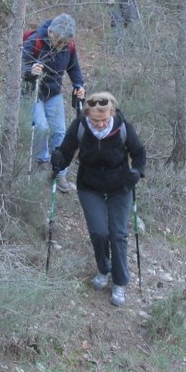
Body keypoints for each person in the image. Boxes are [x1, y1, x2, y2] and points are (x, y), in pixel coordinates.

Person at [51, 91, 146, 307]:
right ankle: (104, 269)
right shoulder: (81, 126)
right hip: (90, 186)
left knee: (118, 234)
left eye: (104, 119)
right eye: (95, 120)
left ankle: (120, 282)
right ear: (87, 116)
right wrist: (58, 161)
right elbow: (66, 151)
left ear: (111, 112)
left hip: (120, 186)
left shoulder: (122, 127)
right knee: (98, 232)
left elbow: (139, 153)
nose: (101, 124)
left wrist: (137, 172)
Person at [22, 13, 85, 191]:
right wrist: (31, 70)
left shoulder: (69, 46)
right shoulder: (35, 41)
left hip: (53, 92)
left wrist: (79, 85)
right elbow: (21, 65)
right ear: (50, 32)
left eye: (64, 43)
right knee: (41, 127)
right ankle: (41, 161)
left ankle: (59, 172)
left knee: (60, 132)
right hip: (32, 91)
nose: (61, 45)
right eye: (59, 41)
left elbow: (74, 67)